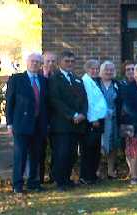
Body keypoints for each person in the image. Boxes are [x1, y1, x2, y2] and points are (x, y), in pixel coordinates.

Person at [6, 53, 47, 193]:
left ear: (41, 64)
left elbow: (45, 104)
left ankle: (33, 182)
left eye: (38, 62)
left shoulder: (43, 80)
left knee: (36, 155)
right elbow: (10, 102)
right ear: (27, 62)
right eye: (32, 61)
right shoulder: (16, 79)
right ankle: (17, 185)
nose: (35, 64)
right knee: (20, 155)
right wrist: (9, 124)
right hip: (21, 123)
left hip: (39, 124)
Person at [47, 51, 88, 191]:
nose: (70, 64)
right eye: (67, 61)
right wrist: (72, 115)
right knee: (61, 153)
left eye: (72, 61)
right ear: (60, 63)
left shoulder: (77, 79)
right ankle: (60, 181)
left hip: (77, 124)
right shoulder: (54, 79)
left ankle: (67, 179)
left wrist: (82, 113)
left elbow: (84, 99)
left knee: (72, 154)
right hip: (62, 124)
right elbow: (55, 101)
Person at [80, 59, 108, 185]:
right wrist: (93, 119)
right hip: (92, 121)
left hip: (99, 119)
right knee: (88, 149)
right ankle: (86, 176)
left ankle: (92, 175)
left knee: (96, 149)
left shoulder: (95, 81)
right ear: (87, 69)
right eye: (93, 68)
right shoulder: (85, 82)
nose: (95, 71)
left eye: (97, 69)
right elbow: (89, 102)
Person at [97, 61, 121, 180]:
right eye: (106, 69)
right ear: (101, 71)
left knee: (113, 145)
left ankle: (111, 171)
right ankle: (99, 170)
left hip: (114, 119)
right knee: (100, 144)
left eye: (111, 70)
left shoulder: (117, 84)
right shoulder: (96, 83)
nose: (109, 72)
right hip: (100, 119)